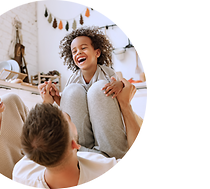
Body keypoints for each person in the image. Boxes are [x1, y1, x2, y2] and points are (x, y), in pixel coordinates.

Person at [12, 78, 140, 188]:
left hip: (74, 157)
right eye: (69, 119)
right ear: (74, 144)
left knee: (72, 90)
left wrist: (47, 104)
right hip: (108, 156)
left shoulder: (21, 173)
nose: (66, 113)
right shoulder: (107, 171)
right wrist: (125, 105)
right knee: (98, 89)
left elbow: (37, 139)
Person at [39, 26, 142, 159]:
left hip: (107, 128)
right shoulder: (73, 79)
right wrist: (56, 97)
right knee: (71, 91)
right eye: (74, 51)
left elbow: (123, 88)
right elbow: (69, 105)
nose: (78, 53)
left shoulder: (107, 72)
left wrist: (119, 84)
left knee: (99, 88)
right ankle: (82, 150)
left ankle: (112, 153)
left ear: (97, 53)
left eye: (83, 48)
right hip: (84, 134)